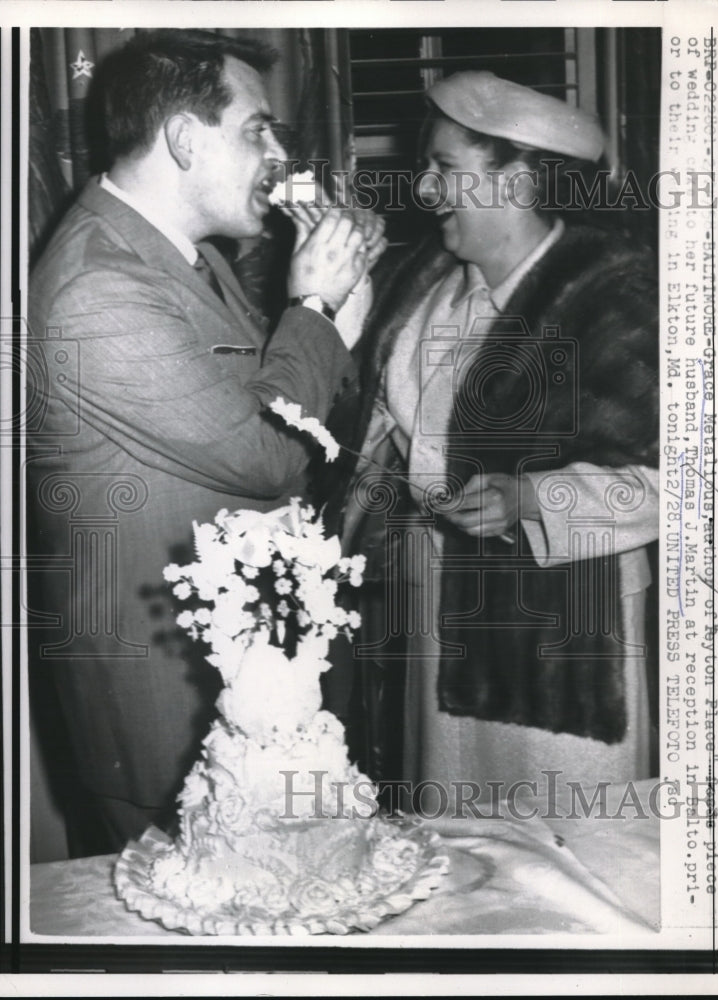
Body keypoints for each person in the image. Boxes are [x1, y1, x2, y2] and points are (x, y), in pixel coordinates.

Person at [25, 29, 385, 854]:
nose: (279, 153)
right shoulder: (99, 288)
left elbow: (270, 400)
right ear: (185, 140)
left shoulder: (186, 259)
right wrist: (318, 314)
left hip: (235, 670)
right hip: (162, 701)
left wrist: (338, 307)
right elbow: (269, 453)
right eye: (257, 129)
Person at [340, 72, 659, 808]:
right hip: (435, 623)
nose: (423, 189)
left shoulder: (613, 296)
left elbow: (686, 484)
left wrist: (531, 497)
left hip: (564, 642)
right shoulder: (421, 285)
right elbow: (380, 443)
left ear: (514, 180)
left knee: (566, 848)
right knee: (457, 846)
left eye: (445, 169)